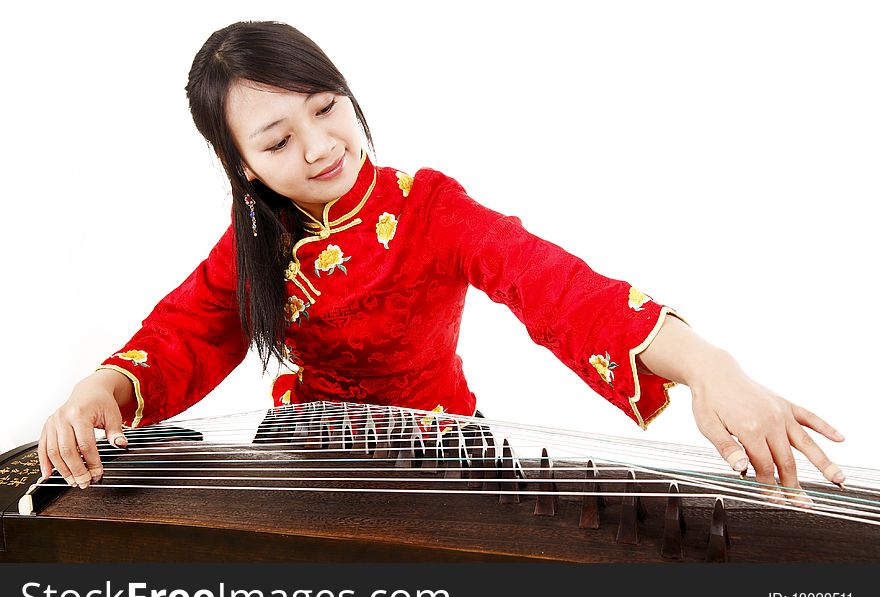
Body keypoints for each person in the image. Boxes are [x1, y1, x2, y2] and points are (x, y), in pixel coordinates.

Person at [38, 20, 845, 507]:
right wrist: (98, 389)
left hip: (444, 450)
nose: (321, 148)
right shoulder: (256, 241)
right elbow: (186, 329)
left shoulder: (428, 208)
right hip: (311, 450)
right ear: (242, 165)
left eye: (326, 108)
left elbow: (556, 286)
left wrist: (709, 365)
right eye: (278, 140)